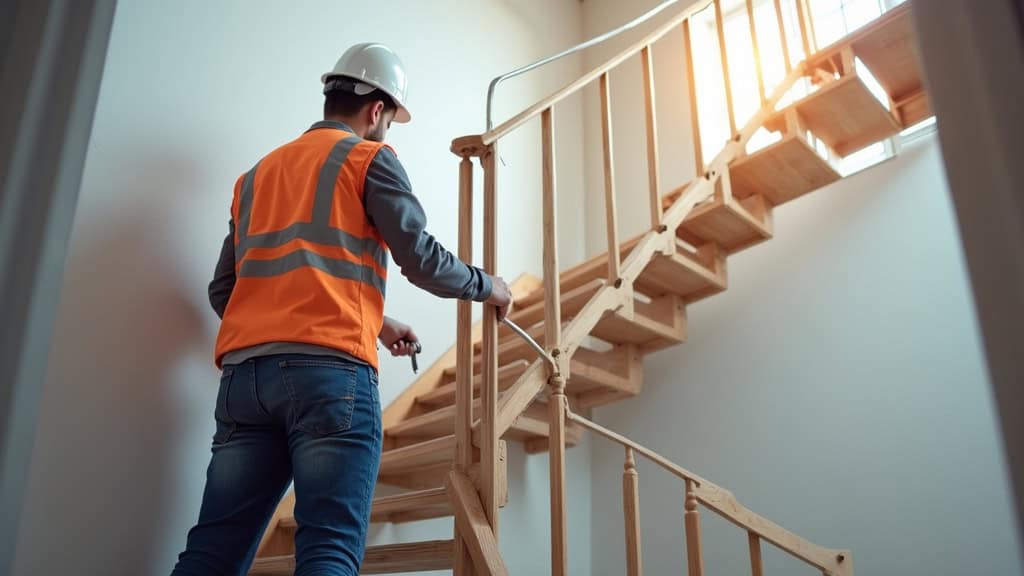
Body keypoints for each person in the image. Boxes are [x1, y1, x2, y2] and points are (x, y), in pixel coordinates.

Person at [171, 43, 513, 576]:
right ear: (377, 110)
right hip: (331, 381)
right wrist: (488, 286)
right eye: (390, 119)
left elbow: (226, 291)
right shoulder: (369, 158)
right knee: (327, 547)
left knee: (211, 552)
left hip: (244, 381)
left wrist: (374, 322)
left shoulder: (257, 176)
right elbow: (419, 259)